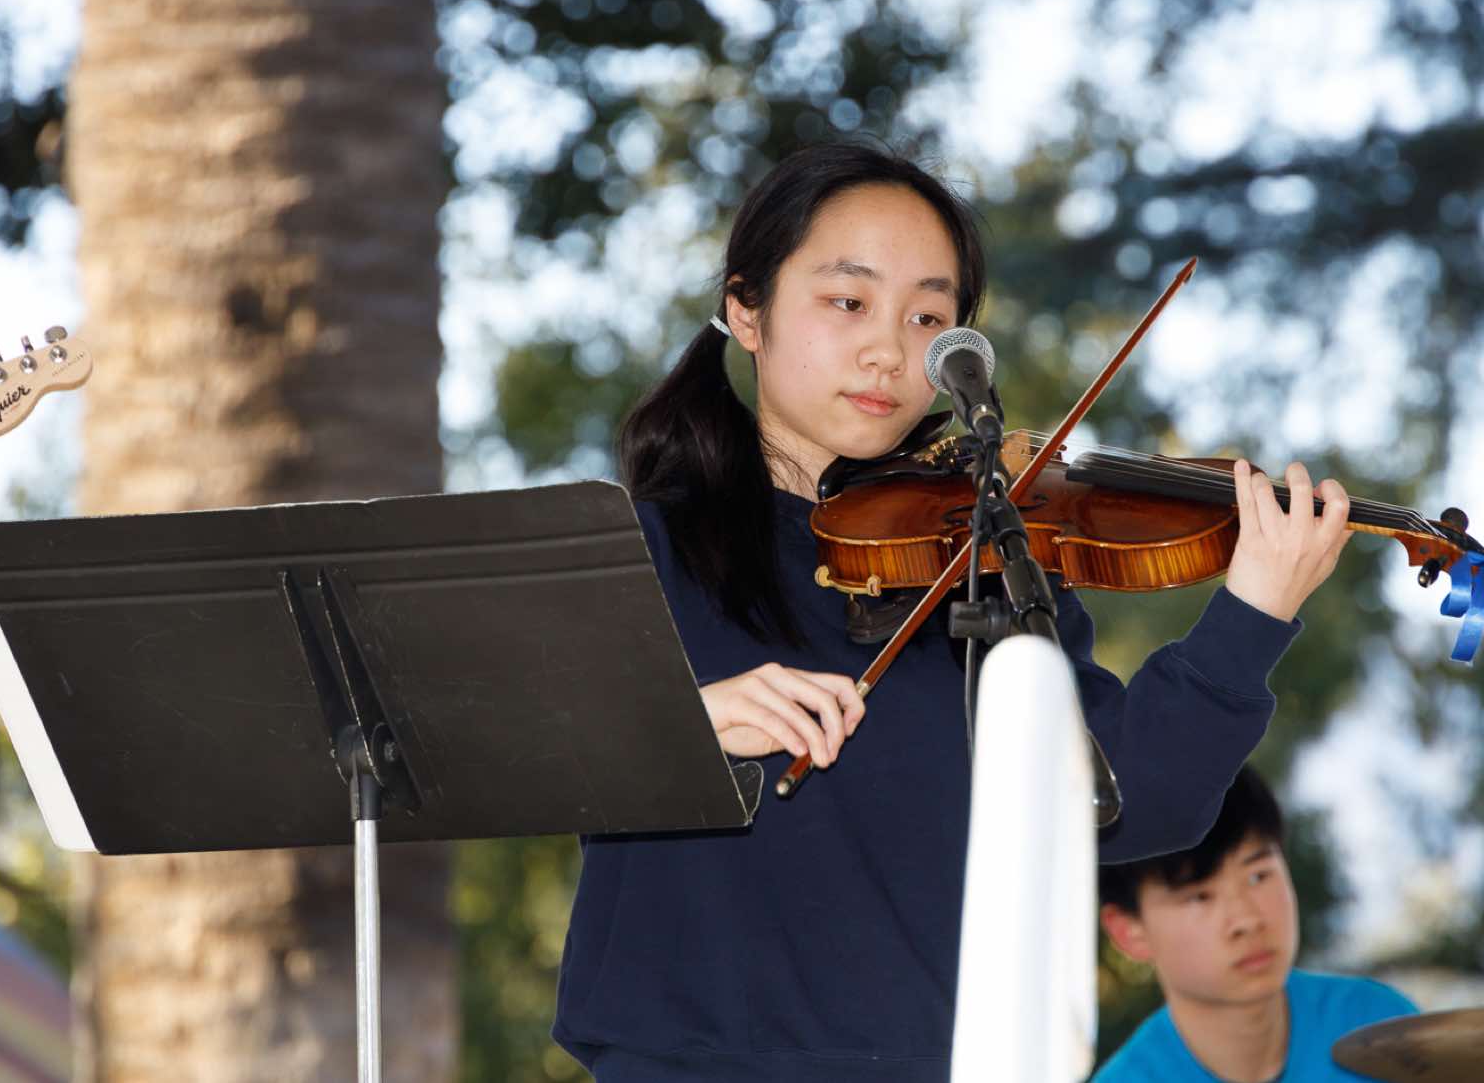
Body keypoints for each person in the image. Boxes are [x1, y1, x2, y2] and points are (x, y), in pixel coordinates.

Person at [552, 144, 1353, 1081]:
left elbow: (1128, 804)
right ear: (746, 309)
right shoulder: (641, 550)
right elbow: (492, 756)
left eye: (927, 317)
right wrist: (687, 724)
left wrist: (1254, 610)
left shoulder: (991, 562)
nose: (889, 351)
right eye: (847, 301)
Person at [1093, 766, 1416, 1083]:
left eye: (1258, 876)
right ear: (1129, 931)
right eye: (1200, 897)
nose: (1247, 920)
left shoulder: (1381, 1028)